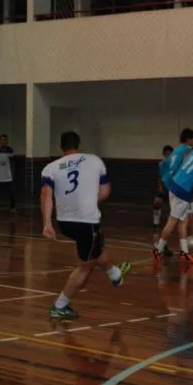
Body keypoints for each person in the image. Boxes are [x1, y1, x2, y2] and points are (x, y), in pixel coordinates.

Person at [41, 131, 131, 320]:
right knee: (84, 266)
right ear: (78, 145)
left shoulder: (51, 167)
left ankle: (115, 274)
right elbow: (106, 191)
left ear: (61, 147)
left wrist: (47, 223)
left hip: (64, 222)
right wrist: (90, 200)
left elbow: (46, 195)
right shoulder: (94, 160)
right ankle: (59, 306)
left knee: (95, 248)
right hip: (86, 221)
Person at [153, 133, 193, 263]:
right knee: (172, 221)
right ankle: (158, 248)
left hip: (174, 184)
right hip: (183, 191)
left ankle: (184, 251)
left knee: (184, 220)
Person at [153, 145, 174, 227]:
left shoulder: (175, 165)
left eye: (170, 154)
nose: (168, 155)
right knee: (156, 202)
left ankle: (173, 222)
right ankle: (156, 219)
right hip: (164, 187)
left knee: (173, 207)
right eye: (166, 154)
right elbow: (159, 176)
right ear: (164, 154)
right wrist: (160, 186)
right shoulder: (161, 164)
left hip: (173, 189)